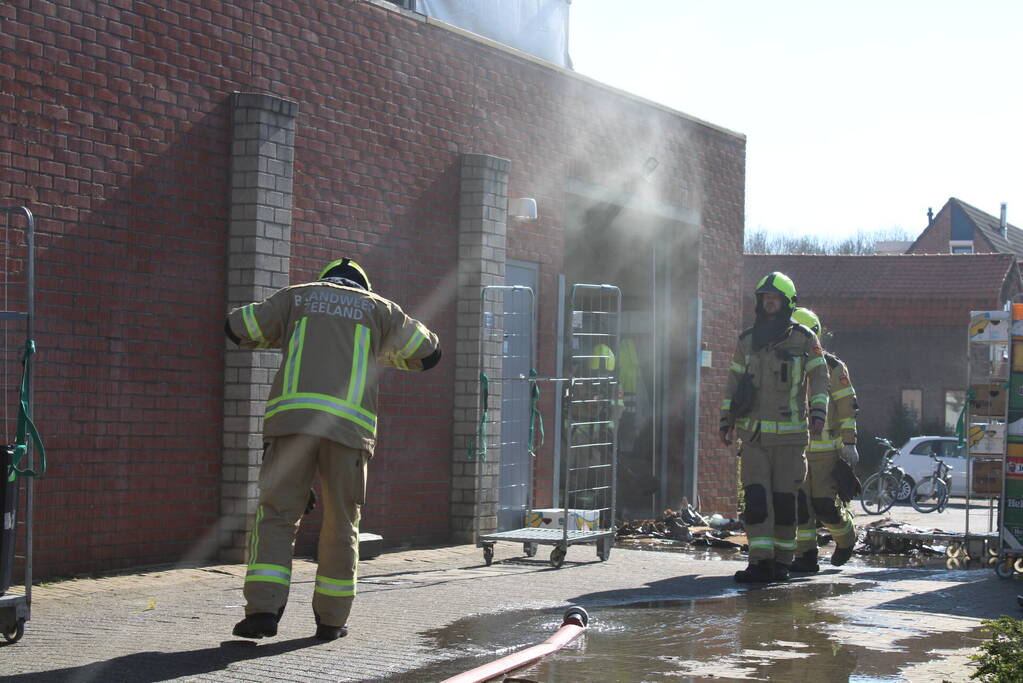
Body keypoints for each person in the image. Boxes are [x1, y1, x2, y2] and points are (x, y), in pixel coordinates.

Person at [226, 257, 441, 640]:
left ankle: (262, 612)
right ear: (362, 285)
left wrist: (284, 329)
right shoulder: (381, 309)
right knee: (342, 523)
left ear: (326, 280)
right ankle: (331, 620)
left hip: (292, 425)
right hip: (349, 431)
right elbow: (428, 352)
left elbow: (238, 326)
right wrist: (383, 347)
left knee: (276, 516)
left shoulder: (297, 298)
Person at [720, 272, 828, 583]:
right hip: (753, 438)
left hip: (791, 440)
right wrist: (726, 421)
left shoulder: (805, 339)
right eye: (765, 298)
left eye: (775, 298)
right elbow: (733, 383)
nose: (769, 303)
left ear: (786, 302)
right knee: (756, 501)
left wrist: (819, 412)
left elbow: (820, 378)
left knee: (784, 503)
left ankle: (782, 562)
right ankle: (759, 562)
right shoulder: (747, 341)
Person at [788, 307, 859, 572]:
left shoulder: (832, 367)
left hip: (826, 452)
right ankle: (805, 557)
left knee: (824, 505)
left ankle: (846, 537)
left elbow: (846, 405)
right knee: (800, 507)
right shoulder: (784, 364)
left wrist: (849, 442)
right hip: (794, 449)